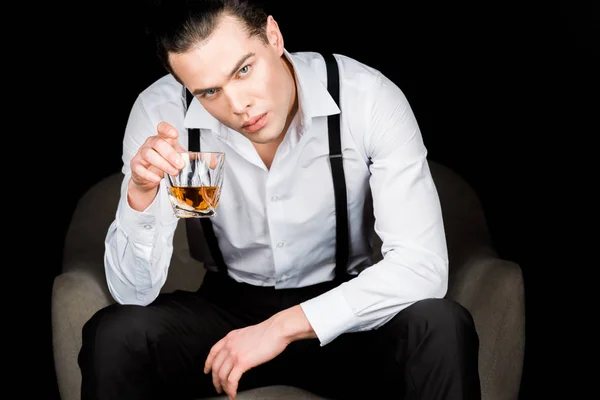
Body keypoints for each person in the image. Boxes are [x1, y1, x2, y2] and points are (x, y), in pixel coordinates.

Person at [78, 0, 482, 399]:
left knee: (440, 323)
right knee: (115, 333)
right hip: (225, 314)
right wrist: (141, 196)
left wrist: (281, 327)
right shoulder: (161, 113)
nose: (238, 107)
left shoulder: (367, 98)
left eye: (244, 70)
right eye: (208, 92)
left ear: (273, 36)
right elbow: (133, 295)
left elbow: (423, 267)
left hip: (347, 316)